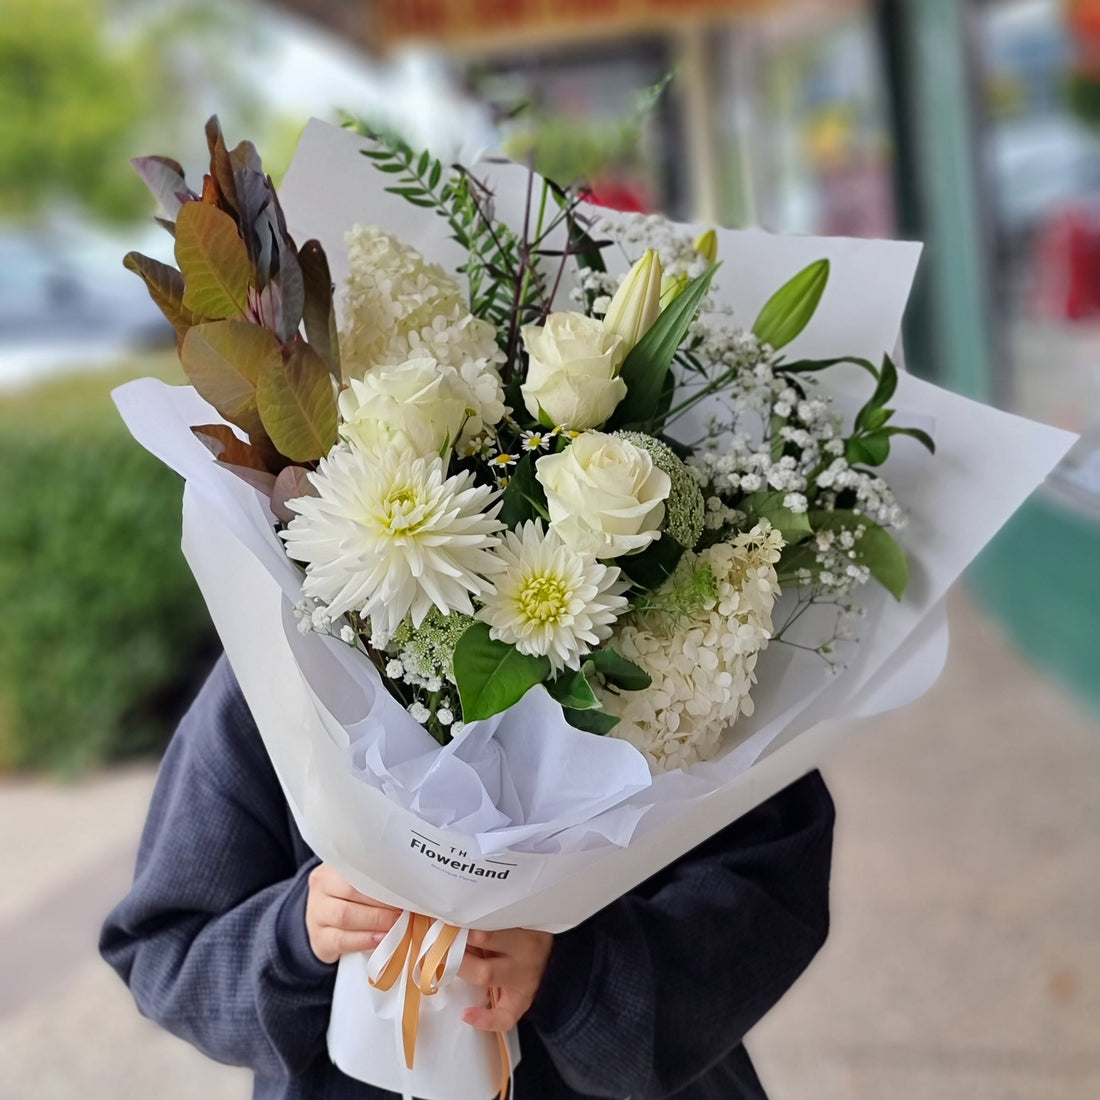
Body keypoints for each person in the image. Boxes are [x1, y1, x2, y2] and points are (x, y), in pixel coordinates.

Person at [101, 655, 835, 1099]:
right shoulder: (280, 667)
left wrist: (577, 972)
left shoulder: (690, 670)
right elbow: (165, 951)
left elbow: (770, 895)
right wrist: (298, 935)